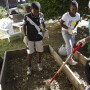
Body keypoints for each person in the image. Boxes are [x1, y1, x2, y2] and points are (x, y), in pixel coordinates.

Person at [23, 1, 49, 75]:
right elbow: (24, 26)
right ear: (31, 9)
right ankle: (29, 66)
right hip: (30, 37)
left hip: (39, 36)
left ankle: (39, 63)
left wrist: (46, 30)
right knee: (29, 53)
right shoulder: (27, 16)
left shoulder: (41, 15)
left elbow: (43, 23)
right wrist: (25, 35)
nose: (36, 13)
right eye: (35, 11)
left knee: (40, 51)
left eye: (38, 11)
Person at [60, 0, 80, 65]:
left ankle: (67, 56)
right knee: (69, 45)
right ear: (70, 8)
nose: (74, 10)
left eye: (76, 9)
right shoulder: (66, 15)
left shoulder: (78, 15)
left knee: (71, 45)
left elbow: (77, 22)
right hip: (65, 31)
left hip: (72, 32)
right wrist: (68, 29)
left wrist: (75, 29)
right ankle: (70, 60)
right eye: (73, 9)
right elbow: (61, 23)